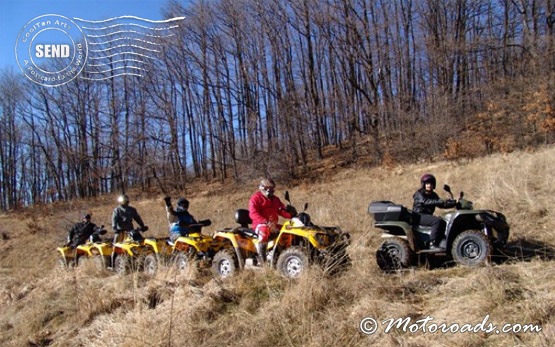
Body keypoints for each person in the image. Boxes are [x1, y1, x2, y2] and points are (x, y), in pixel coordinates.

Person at [248, 178, 295, 263]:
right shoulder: (255, 198)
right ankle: (262, 259)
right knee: (264, 230)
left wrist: (292, 214)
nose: (272, 191)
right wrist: (265, 221)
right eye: (269, 188)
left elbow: (281, 210)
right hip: (260, 224)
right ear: (263, 188)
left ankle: (285, 255)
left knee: (288, 230)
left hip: (273, 224)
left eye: (272, 188)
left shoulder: (275, 200)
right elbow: (253, 213)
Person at [412, 174, 456, 250]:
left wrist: (452, 204)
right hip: (418, 215)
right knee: (437, 221)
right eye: (427, 183)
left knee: (443, 221)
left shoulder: (433, 194)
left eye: (431, 183)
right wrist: (441, 201)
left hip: (426, 216)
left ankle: (440, 241)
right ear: (423, 184)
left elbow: (440, 205)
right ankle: (432, 244)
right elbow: (426, 201)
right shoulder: (419, 193)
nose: (429, 185)